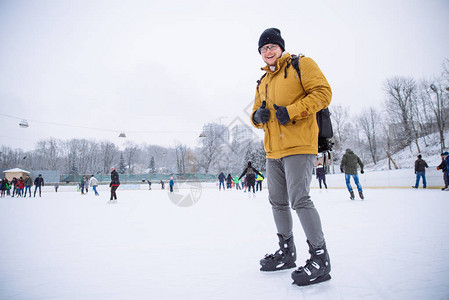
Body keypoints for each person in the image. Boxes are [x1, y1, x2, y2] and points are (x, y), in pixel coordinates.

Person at [251, 28, 332, 286]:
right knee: (277, 202)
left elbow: (323, 93)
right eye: (263, 49)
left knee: (300, 200)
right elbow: (254, 114)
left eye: (272, 46)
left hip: (299, 145)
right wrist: (257, 118)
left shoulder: (301, 64)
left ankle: (320, 258)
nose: (268, 52)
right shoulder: (262, 81)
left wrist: (293, 111)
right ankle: (287, 252)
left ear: (281, 47)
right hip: (273, 150)